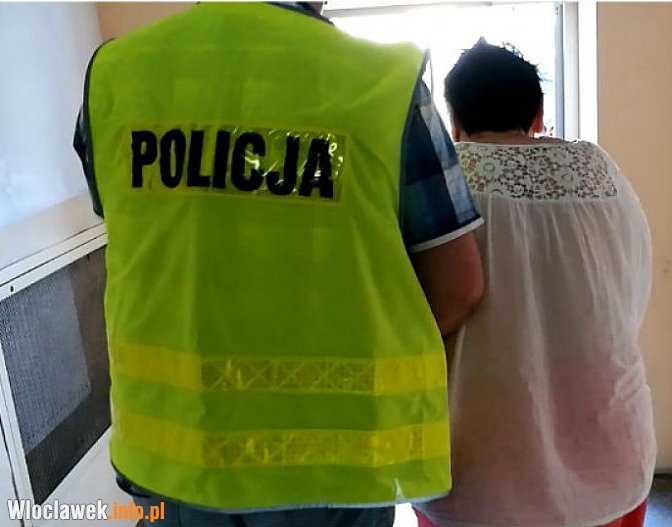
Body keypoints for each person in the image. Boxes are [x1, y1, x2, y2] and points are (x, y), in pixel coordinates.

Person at [72, 3, 484, 526]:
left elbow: (139, 228)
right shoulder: (383, 85)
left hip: (172, 458)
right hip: (332, 465)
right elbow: (457, 286)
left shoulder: (115, 76)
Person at [414, 41, 656, 527]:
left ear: (452, 121)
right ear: (538, 115)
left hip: (478, 475)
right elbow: (632, 292)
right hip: (612, 454)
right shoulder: (600, 171)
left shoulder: (443, 186)